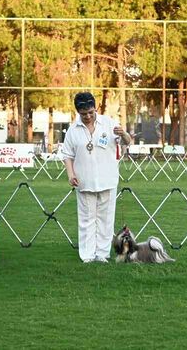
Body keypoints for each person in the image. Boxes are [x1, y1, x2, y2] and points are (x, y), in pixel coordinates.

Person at [61, 92, 131, 263]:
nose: (88, 116)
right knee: (86, 219)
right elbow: (67, 155)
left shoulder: (108, 123)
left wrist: (123, 134)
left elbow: (127, 142)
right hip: (84, 180)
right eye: (84, 114)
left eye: (91, 112)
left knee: (106, 219)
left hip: (107, 179)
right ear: (78, 112)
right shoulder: (73, 129)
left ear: (95, 108)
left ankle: (102, 254)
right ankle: (87, 255)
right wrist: (71, 175)